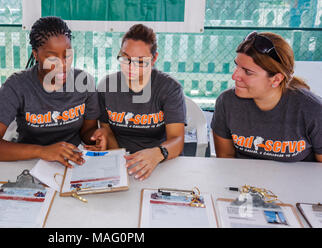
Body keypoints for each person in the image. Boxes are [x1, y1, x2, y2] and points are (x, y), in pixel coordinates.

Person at [0, 16, 105, 168]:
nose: (62, 65)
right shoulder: (17, 85)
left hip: (73, 162)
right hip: (29, 162)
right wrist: (42, 151)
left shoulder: (84, 82)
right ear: (36, 55)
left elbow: (88, 130)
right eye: (52, 57)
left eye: (67, 56)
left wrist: (95, 138)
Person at [211, 31, 322, 162]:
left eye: (248, 72)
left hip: (298, 181)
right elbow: (226, 158)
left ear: (276, 79)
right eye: (237, 66)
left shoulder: (313, 110)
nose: (234, 76)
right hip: (243, 180)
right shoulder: (226, 102)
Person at [97, 24, 186, 181]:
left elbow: (177, 140)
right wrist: (120, 159)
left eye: (140, 61)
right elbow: (107, 130)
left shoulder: (170, 88)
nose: (130, 67)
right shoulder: (107, 86)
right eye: (125, 58)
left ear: (154, 59)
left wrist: (157, 153)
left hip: (160, 163)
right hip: (122, 162)